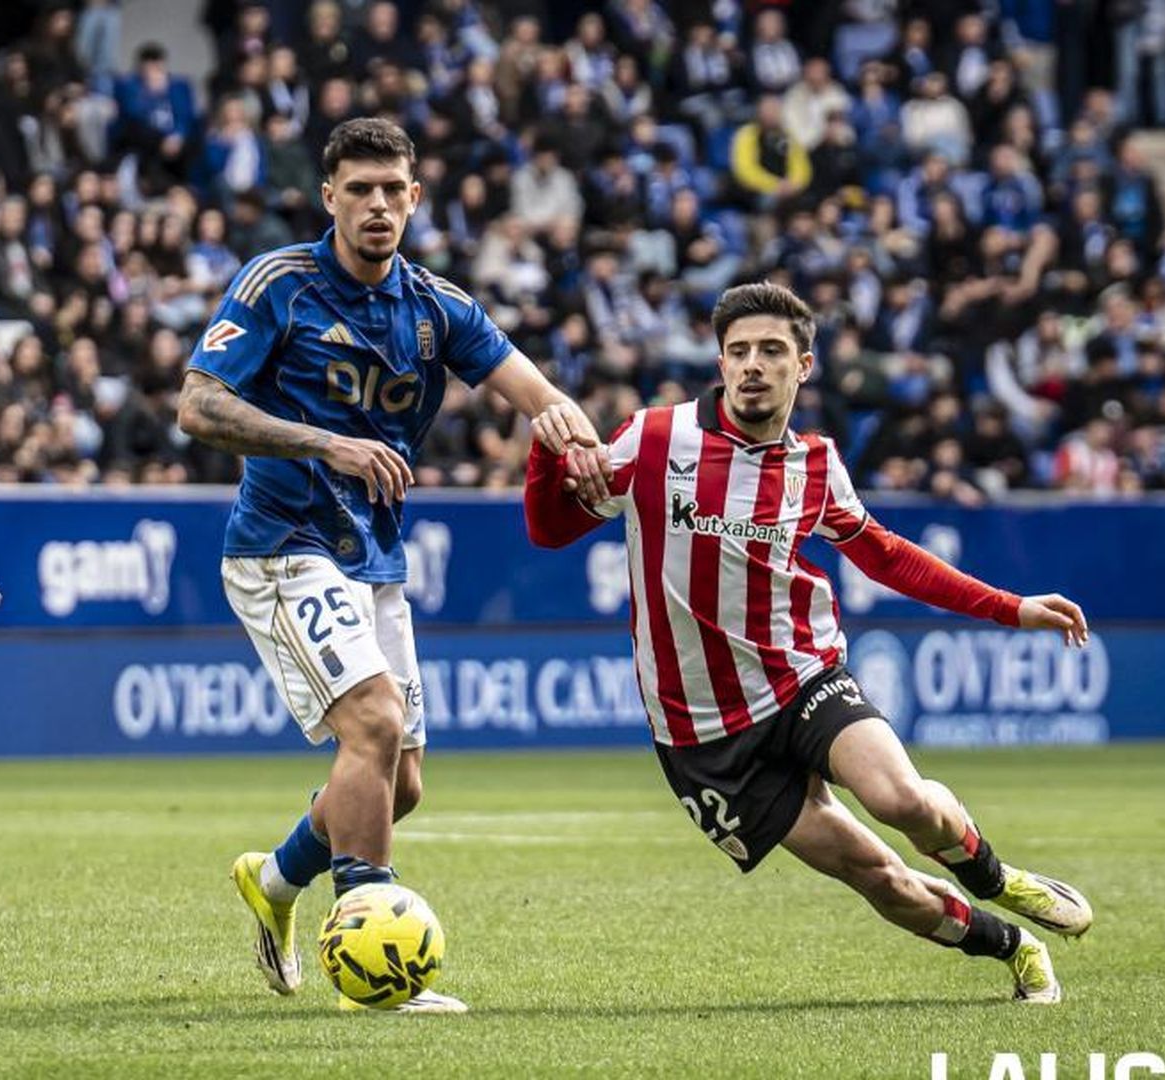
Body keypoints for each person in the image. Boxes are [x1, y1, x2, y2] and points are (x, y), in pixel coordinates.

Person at [523, 282, 1094, 1004]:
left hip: (801, 679)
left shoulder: (816, 464)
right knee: (881, 879)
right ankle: (1013, 945)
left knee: (901, 799)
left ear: (805, 365)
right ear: (720, 362)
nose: (752, 366)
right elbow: (549, 529)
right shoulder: (656, 438)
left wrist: (1012, 608)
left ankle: (997, 877)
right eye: (738, 352)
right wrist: (546, 458)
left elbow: (888, 556)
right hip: (701, 735)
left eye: (770, 351)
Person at [178, 117, 604, 1014]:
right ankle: (372, 965)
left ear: (415, 198)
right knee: (370, 725)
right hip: (281, 547)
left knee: (398, 781)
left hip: (371, 556)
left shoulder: (437, 307)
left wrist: (563, 423)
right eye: (359, 189)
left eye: (392, 190)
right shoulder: (279, 285)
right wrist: (324, 443)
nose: (377, 205)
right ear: (328, 196)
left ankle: (277, 880)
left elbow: (532, 387)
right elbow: (198, 405)